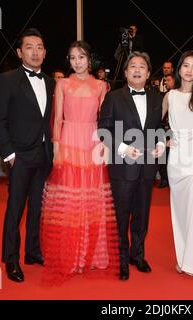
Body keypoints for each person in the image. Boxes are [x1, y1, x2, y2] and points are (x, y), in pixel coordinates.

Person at [40, 41, 119, 285]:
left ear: (90, 59)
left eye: (81, 57)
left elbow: (104, 119)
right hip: (69, 141)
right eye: (73, 57)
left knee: (92, 199)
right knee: (71, 199)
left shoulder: (101, 85)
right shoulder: (62, 83)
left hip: (93, 142)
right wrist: (56, 147)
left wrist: (105, 147)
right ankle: (71, 256)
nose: (77, 62)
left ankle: (92, 254)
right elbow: (57, 118)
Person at [0, 28, 55, 283]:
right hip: (20, 155)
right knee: (15, 210)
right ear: (19, 52)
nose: (35, 52)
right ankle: (11, 259)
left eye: (39, 47)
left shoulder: (51, 82)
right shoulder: (7, 80)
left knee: (38, 208)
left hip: (44, 155)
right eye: (29, 47)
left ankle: (33, 252)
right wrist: (9, 153)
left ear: (45, 52)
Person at [98, 51, 164, 281]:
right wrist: (123, 148)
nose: (137, 70)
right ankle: (122, 259)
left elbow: (162, 128)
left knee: (142, 215)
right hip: (121, 167)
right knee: (121, 216)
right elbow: (103, 131)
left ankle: (138, 255)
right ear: (125, 72)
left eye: (142, 67)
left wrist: (162, 143)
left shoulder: (157, 98)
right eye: (133, 66)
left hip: (147, 167)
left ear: (148, 73)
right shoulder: (113, 97)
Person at [162, 50, 193, 277]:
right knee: (179, 212)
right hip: (176, 160)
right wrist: (164, 138)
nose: (189, 70)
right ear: (179, 68)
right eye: (185, 65)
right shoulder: (170, 96)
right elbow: (157, 123)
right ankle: (182, 259)